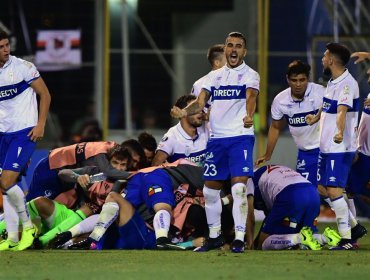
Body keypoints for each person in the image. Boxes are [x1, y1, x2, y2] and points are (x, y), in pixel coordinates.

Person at [171, 31, 260, 253]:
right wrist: (183, 112)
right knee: (210, 192)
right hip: (217, 140)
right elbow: (200, 103)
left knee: (239, 188)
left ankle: (239, 238)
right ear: (226, 49)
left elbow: (251, 97)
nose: (233, 49)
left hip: (240, 137)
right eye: (230, 45)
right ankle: (214, 236)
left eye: (238, 46)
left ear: (244, 51)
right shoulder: (213, 77)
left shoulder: (251, 74)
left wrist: (250, 115)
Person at [0, 29, 51, 251]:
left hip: (25, 132)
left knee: (6, 181)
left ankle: (28, 227)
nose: (6, 50)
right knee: (5, 187)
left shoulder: (23, 67)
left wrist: (40, 124)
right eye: (1, 47)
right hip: (2, 134)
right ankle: (12, 237)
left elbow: (46, 94)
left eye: (6, 45)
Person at [306, 42, 359, 250]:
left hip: (340, 147)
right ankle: (353, 225)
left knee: (335, 190)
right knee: (322, 187)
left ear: (332, 60)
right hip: (326, 146)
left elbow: (342, 111)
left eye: (325, 55)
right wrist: (316, 117)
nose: (322, 58)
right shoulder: (333, 81)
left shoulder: (347, 84)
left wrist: (339, 132)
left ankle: (347, 239)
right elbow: (328, 104)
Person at [255, 60, 325, 185]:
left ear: (308, 79)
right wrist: (268, 154)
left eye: (302, 80)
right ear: (287, 79)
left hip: (325, 149)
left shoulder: (321, 92)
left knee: (331, 189)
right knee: (309, 189)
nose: (298, 84)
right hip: (305, 153)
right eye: (294, 80)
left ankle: (344, 203)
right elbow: (276, 127)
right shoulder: (280, 100)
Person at [247, 165, 341, 250]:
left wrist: (250, 244)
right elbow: (270, 216)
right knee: (308, 235)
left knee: (264, 242)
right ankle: (325, 237)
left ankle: (299, 239)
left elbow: (249, 216)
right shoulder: (265, 172)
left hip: (290, 194)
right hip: (312, 193)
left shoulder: (247, 179)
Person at [152, 95, 208, 166]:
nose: (200, 112)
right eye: (194, 109)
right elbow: (155, 165)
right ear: (183, 113)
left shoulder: (206, 130)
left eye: (200, 108)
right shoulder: (172, 137)